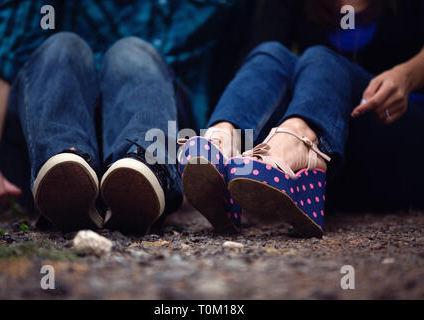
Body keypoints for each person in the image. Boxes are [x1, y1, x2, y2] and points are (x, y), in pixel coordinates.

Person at [0, 0, 252, 234]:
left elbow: (230, 72)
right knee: (62, 47)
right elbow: (1, 56)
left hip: (161, 113)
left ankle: (143, 169)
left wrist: (205, 167)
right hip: (56, 107)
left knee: (132, 54)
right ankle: (64, 166)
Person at [179, 0, 424, 237]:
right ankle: (224, 143)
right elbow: (259, 65)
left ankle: (300, 144)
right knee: (269, 54)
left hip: (393, 140)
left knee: (321, 58)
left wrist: (407, 76)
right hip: (332, 159)